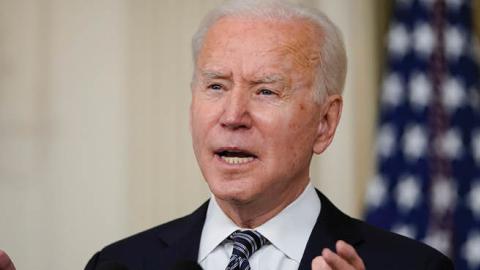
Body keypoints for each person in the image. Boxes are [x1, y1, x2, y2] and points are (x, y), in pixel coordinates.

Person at [82, 1, 454, 270]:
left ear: (324, 122)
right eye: (215, 86)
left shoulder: (416, 266)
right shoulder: (119, 263)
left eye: (265, 91)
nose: (232, 116)